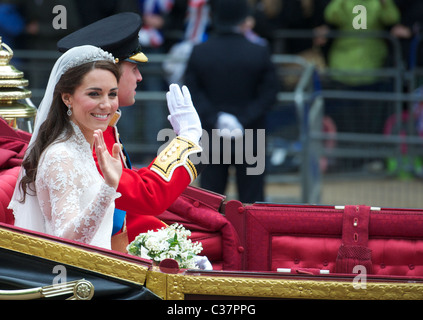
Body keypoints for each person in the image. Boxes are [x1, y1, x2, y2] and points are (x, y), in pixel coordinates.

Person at [57, 12, 204, 248]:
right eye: (133, 67)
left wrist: (170, 243)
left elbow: (124, 208)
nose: (139, 77)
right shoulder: (85, 135)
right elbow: (145, 195)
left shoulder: (99, 126)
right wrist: (185, 141)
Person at [8, 45, 123, 249]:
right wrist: (108, 188)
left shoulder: (81, 146)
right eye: (94, 94)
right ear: (67, 97)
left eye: (112, 94)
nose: (106, 105)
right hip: (79, 278)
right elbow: (67, 243)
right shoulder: (61, 155)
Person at [184, 0, 279, 203]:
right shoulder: (259, 51)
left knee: (209, 200)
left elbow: (191, 93)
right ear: (244, 20)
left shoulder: (200, 51)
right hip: (252, 134)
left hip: (212, 134)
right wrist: (242, 119)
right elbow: (270, 95)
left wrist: (217, 118)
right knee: (253, 200)